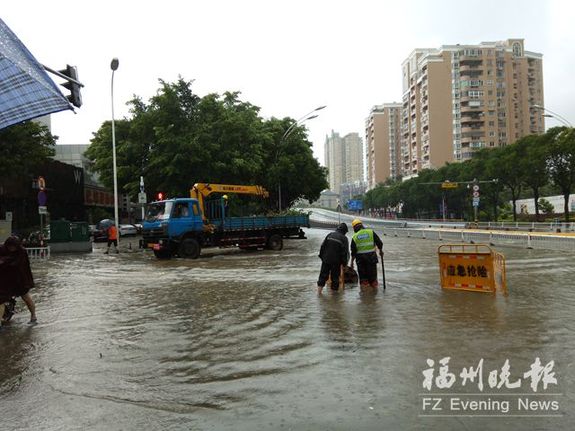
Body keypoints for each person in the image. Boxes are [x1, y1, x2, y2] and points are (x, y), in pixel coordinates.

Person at [0, 236, 37, 324]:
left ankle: (33, 316)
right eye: (9, 246)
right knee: (1, 299)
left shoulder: (22, 252)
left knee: (26, 297)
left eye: (14, 246)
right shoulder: (2, 249)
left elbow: (17, 264)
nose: (11, 248)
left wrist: (3, 261)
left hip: (19, 279)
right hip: (4, 279)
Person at [350, 219, 384, 290]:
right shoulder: (371, 232)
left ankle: (365, 298)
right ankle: (373, 297)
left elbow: (353, 251)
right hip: (372, 258)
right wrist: (380, 251)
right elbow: (379, 243)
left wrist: (352, 262)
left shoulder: (355, 236)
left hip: (360, 260)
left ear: (354, 228)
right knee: (373, 279)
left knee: (363, 280)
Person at [317, 223, 349, 294]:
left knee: (322, 276)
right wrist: (344, 264)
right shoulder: (344, 238)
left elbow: (322, 246)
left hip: (326, 259)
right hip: (336, 262)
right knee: (335, 279)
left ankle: (319, 293)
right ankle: (334, 298)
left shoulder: (330, 234)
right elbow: (345, 253)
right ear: (344, 231)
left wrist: (322, 257)